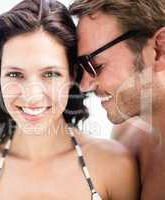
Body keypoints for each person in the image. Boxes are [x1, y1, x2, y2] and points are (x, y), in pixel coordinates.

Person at [0, 0, 139, 199]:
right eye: (15, 75)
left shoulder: (114, 165)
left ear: (72, 75)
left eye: (50, 74)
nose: (32, 95)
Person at [69, 0, 165, 199]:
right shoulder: (126, 136)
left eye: (96, 65)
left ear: (159, 50)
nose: (85, 86)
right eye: (82, 67)